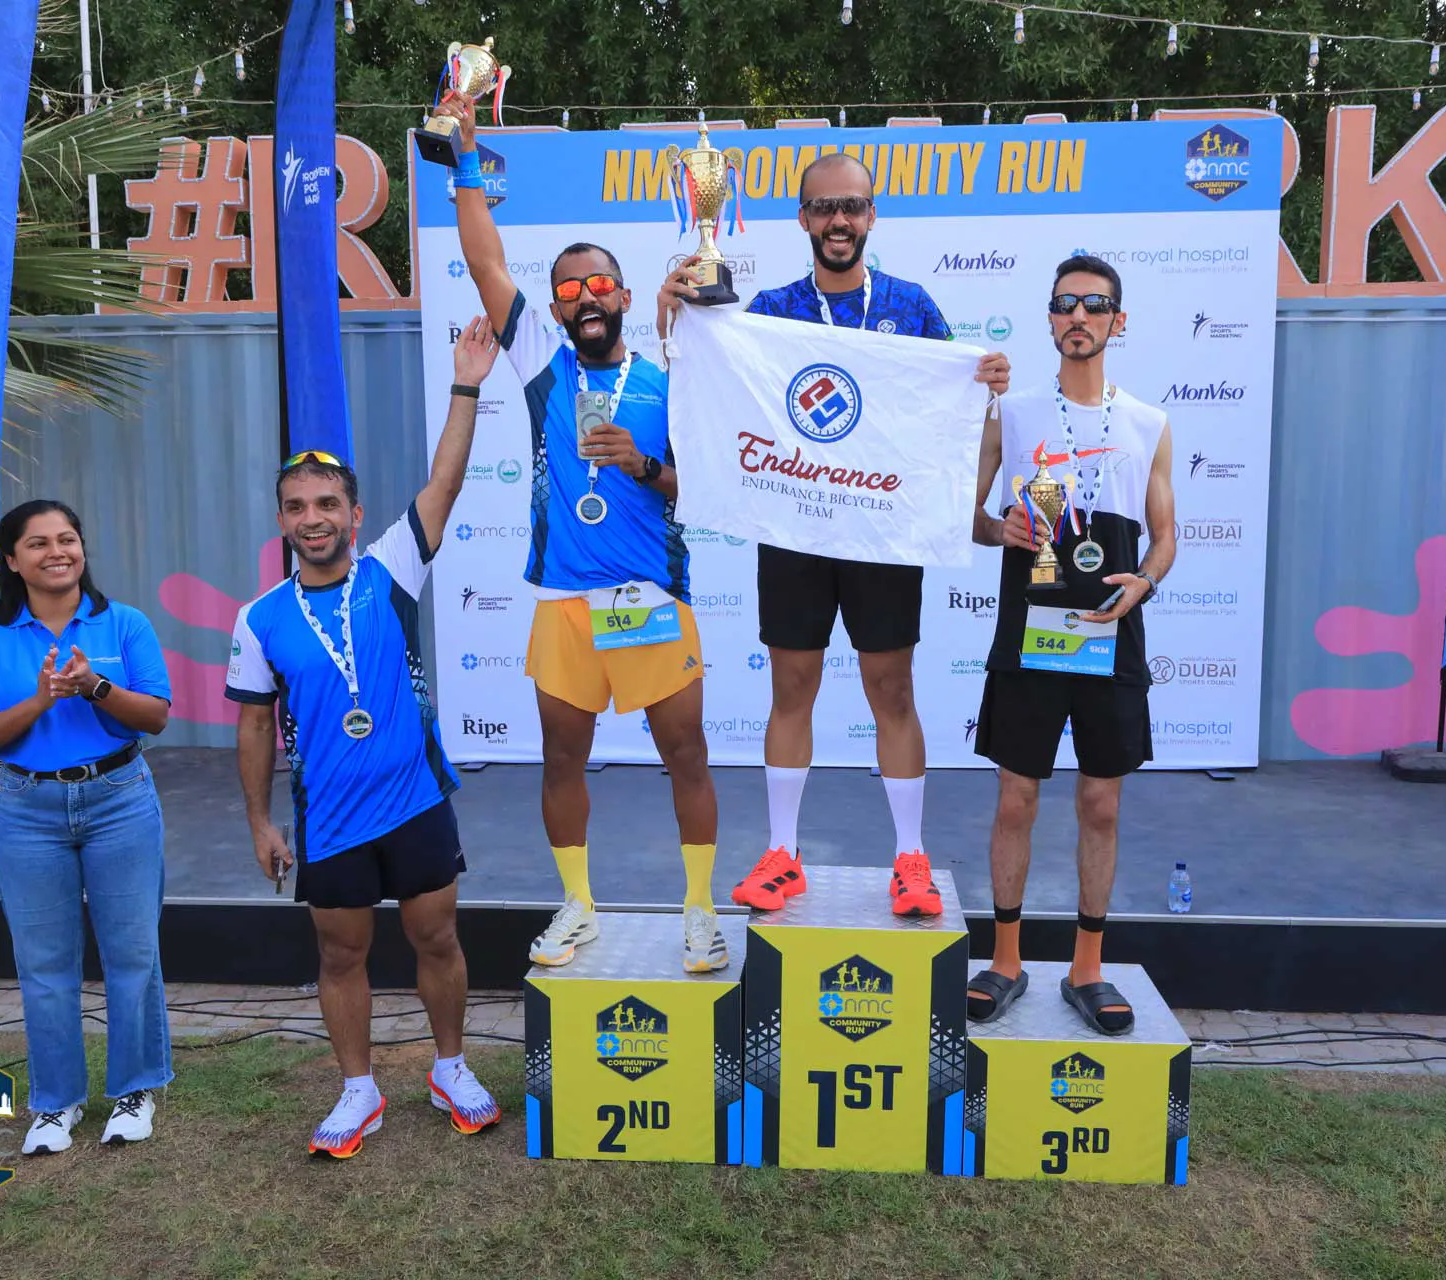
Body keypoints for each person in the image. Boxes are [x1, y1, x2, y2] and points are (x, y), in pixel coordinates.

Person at [659, 150, 1009, 918]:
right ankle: (783, 854)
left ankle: (910, 859)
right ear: (803, 219)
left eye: (851, 206)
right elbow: (708, 376)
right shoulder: (771, 309)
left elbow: (951, 418)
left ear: (871, 215)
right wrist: (675, 311)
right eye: (824, 208)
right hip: (795, 527)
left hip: (882, 533)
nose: (839, 220)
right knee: (791, 689)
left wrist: (983, 386)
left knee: (892, 691)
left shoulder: (912, 307)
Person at [438, 92, 726, 974]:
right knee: (562, 759)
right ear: (558, 310)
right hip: (565, 602)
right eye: (568, 290)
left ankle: (700, 911)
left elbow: (706, 490)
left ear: (625, 295)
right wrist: (465, 158)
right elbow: (485, 261)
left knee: (686, 756)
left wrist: (644, 464)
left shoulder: (672, 376)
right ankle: (579, 906)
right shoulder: (541, 366)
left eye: (599, 284)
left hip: (650, 598)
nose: (585, 297)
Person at [225, 322, 501, 1158]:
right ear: (282, 519)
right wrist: (259, 823)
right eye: (297, 507)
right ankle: (358, 1090)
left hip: (415, 802)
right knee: (341, 955)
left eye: (327, 504)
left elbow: (445, 482)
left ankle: (450, 1068)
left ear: (355, 513)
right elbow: (253, 723)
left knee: (437, 939)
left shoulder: (391, 569)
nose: (313, 519)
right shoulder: (260, 619)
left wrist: (466, 384)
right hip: (333, 819)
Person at [960, 254, 1175, 1033]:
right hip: (1031, 630)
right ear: (1050, 318)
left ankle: (1088, 969)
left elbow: (1166, 535)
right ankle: (1005, 961)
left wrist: (1144, 581)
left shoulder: (1148, 422)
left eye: (1094, 304)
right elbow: (966, 514)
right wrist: (1000, 530)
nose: (1078, 316)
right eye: (1065, 304)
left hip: (1108, 635)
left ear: (1118, 320)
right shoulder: (1011, 414)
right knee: (1015, 798)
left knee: (1101, 803)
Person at [0, 499, 174, 1153]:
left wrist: (95, 687)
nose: (57, 552)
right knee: (44, 963)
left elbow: (156, 716)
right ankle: (56, 1103)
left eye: (67, 539)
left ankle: (134, 1090)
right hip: (28, 810)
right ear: (12, 560)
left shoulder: (124, 623)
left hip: (119, 800)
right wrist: (42, 699)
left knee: (132, 953)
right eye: (39, 543)